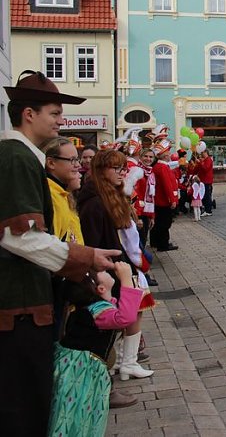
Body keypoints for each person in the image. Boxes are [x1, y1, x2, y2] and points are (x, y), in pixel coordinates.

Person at [0, 71, 119, 435]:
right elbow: (20, 238)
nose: (61, 121)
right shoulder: (16, 156)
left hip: (28, 302)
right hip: (19, 307)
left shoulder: (24, 156)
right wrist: (86, 258)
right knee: (23, 406)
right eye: (54, 113)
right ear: (28, 114)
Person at [78, 150, 155, 383]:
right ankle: (121, 362)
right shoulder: (95, 203)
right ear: (102, 171)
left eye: (124, 168)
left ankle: (126, 362)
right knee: (121, 314)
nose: (123, 173)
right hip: (111, 268)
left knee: (133, 312)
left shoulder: (112, 196)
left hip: (122, 265)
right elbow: (94, 242)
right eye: (117, 168)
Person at [48, 262, 143, 435]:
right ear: (100, 288)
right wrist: (126, 279)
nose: (105, 271)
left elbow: (118, 309)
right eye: (101, 272)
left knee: (78, 411)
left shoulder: (95, 307)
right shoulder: (98, 311)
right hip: (81, 372)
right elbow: (126, 318)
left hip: (79, 367)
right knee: (78, 413)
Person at [149, 137, 179, 251]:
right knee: (164, 223)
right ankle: (163, 244)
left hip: (159, 199)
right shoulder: (163, 167)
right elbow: (167, 185)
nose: (170, 154)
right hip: (164, 200)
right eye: (168, 152)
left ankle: (155, 242)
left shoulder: (158, 166)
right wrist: (172, 200)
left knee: (158, 222)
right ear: (165, 155)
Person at [196, 148, 214, 215]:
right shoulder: (205, 160)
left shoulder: (208, 160)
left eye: (202, 152)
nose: (201, 154)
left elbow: (205, 169)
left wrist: (200, 163)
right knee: (204, 195)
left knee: (207, 195)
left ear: (206, 152)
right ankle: (206, 209)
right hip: (203, 180)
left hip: (207, 180)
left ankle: (208, 211)